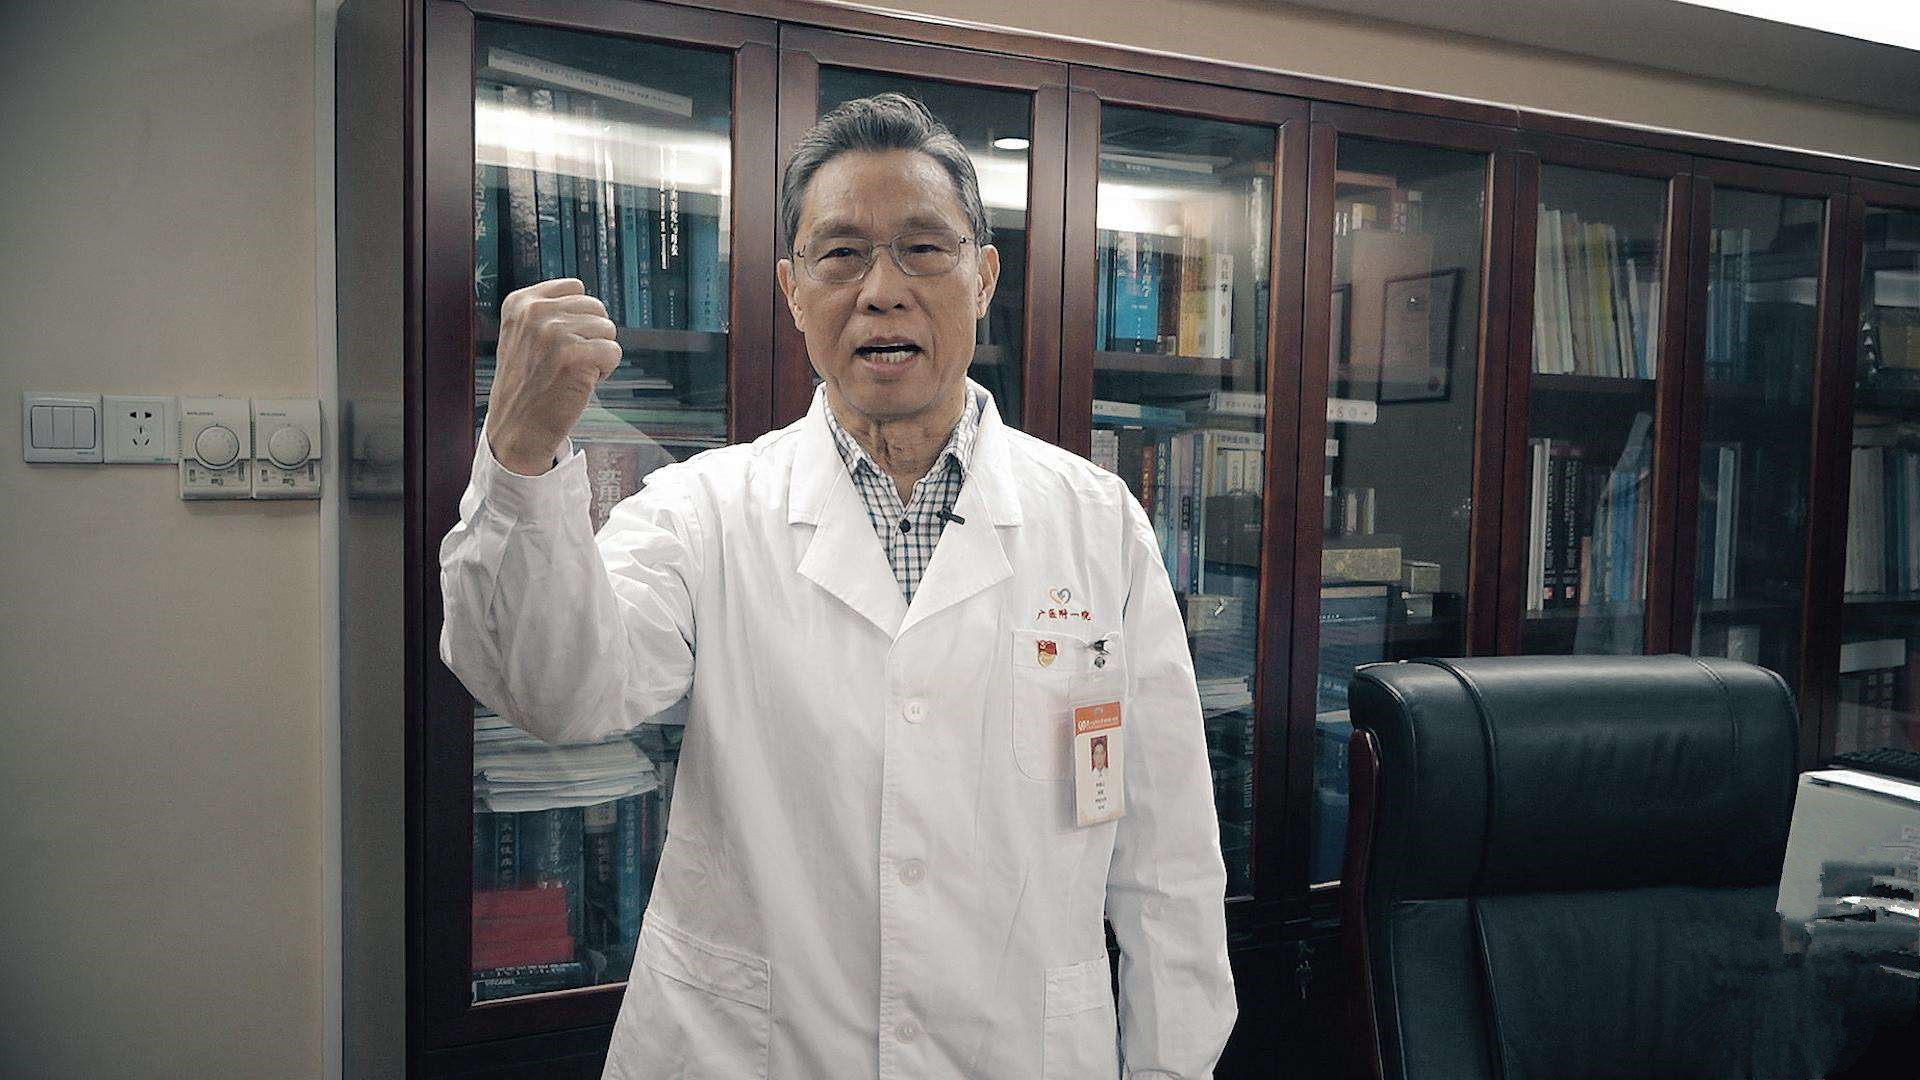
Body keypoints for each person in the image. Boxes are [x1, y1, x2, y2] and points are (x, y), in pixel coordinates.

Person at [440, 92, 1235, 1079]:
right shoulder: (703, 510)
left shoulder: (1097, 521)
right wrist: (519, 460)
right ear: (791, 290)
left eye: (923, 250)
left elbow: (1166, 854)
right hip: (752, 1051)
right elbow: (556, 692)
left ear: (984, 278)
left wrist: (1170, 1067)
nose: (882, 291)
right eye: (841, 254)